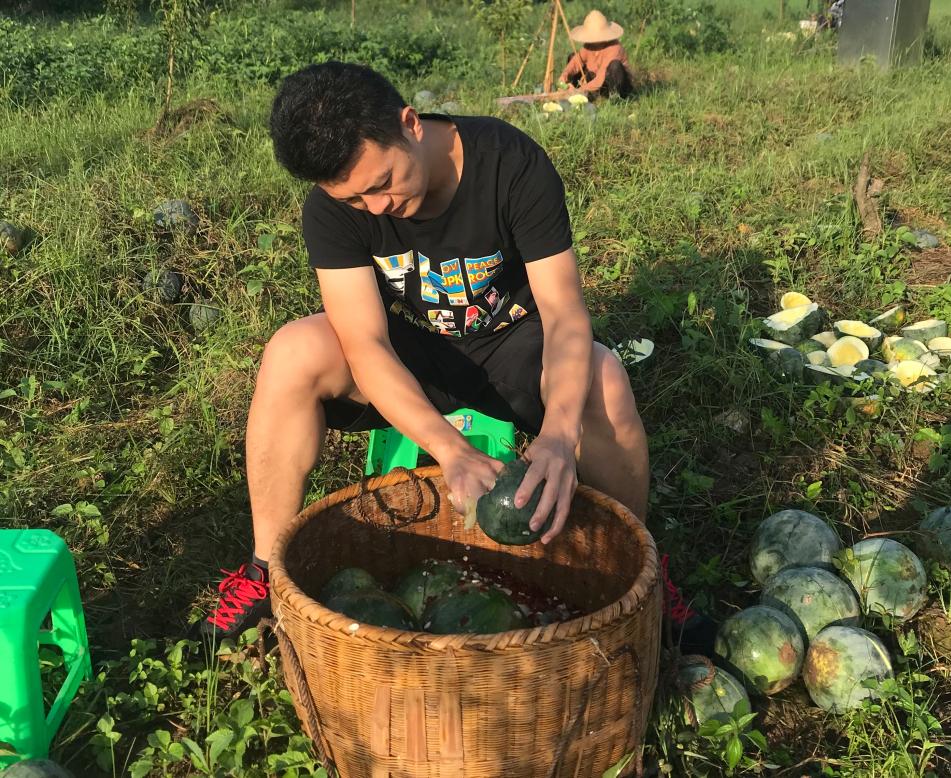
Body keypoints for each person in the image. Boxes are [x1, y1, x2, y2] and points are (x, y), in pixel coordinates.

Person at [199, 62, 649, 638]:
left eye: (382, 183)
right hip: (413, 353)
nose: (376, 207)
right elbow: (365, 344)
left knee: (604, 379)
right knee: (292, 351)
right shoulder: (334, 207)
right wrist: (450, 450)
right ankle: (264, 571)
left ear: (410, 124)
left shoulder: (509, 163)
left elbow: (563, 313)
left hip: (516, 344)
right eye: (355, 199)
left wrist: (560, 435)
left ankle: (637, 573)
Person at [558, 10, 633, 99]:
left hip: (614, 84)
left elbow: (600, 78)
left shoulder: (614, 48)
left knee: (615, 66)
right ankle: (578, 92)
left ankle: (615, 98)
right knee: (572, 56)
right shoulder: (589, 46)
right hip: (595, 80)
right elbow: (576, 61)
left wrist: (580, 90)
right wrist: (564, 76)